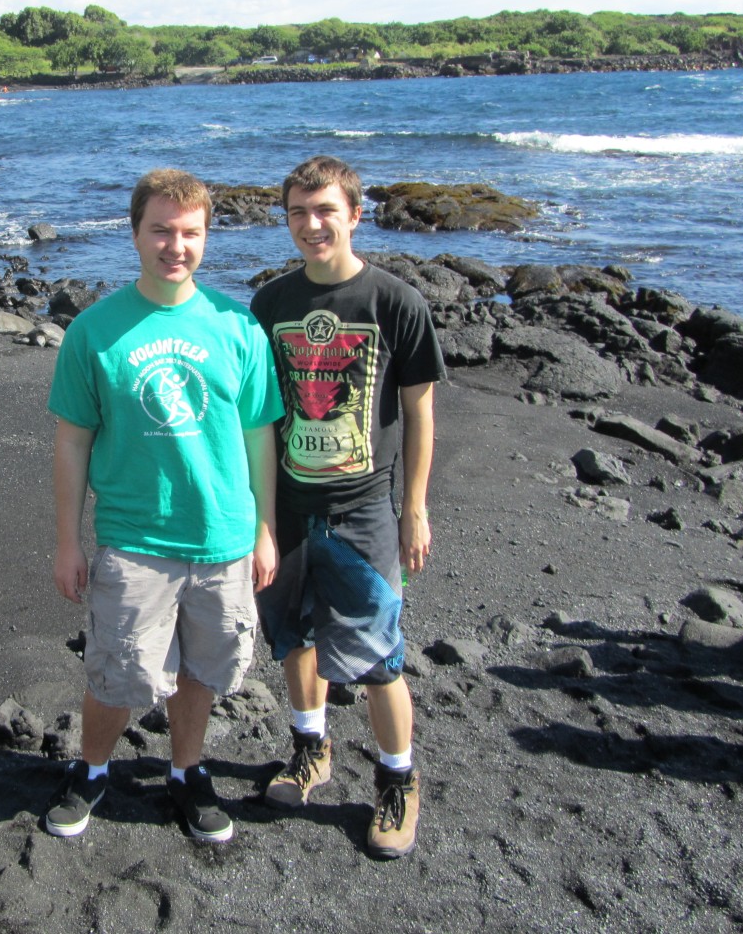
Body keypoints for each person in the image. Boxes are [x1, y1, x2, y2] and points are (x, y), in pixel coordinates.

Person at [46, 168, 283, 843]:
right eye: (161, 230)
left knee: (203, 670)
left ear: (205, 238)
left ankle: (187, 772)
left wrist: (266, 529)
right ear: (135, 234)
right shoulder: (95, 333)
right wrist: (68, 542)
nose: (175, 245)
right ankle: (91, 770)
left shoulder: (238, 328)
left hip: (223, 539)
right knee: (118, 672)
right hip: (134, 539)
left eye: (189, 233)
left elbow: (260, 435)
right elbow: (71, 443)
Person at [249, 156, 444, 860]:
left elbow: (421, 415)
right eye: (298, 212)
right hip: (291, 507)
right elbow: (259, 419)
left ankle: (398, 781)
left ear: (355, 215)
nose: (311, 224)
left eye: (325, 210)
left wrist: (414, 509)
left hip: (365, 511)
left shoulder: (395, 302)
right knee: (295, 636)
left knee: (380, 657)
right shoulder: (270, 304)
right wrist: (261, 519)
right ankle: (310, 748)